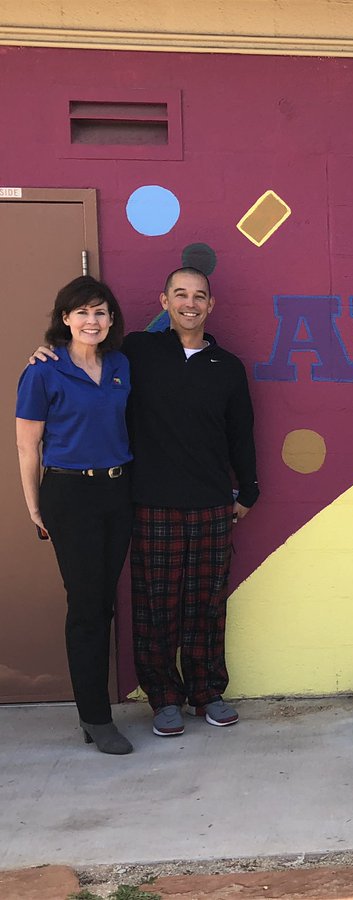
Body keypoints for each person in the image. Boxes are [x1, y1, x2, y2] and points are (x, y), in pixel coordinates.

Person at [35, 267, 259, 737]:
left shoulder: (228, 366)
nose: (190, 303)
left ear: (211, 305)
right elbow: (84, 353)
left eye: (199, 296)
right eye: (180, 294)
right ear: (164, 301)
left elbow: (241, 434)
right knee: (156, 606)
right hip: (151, 503)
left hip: (213, 503)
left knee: (207, 604)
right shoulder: (136, 352)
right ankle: (163, 698)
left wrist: (249, 492)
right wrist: (45, 353)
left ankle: (207, 692)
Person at [16, 276, 134, 754]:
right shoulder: (43, 371)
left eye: (100, 312)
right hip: (69, 493)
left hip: (117, 491)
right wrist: (34, 507)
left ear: (111, 320)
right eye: (82, 312)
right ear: (65, 318)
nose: (92, 321)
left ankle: (95, 710)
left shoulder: (121, 364)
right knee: (86, 606)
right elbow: (27, 446)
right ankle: (96, 717)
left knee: (103, 602)